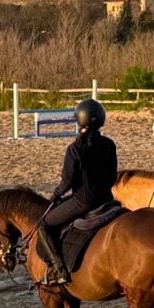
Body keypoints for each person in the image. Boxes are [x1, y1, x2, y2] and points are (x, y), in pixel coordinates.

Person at [35, 99, 118, 285]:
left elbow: (67, 182)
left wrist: (56, 195)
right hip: (107, 199)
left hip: (84, 201)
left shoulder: (75, 148)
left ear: (80, 121)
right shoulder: (109, 144)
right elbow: (113, 176)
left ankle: (59, 269)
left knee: (44, 224)